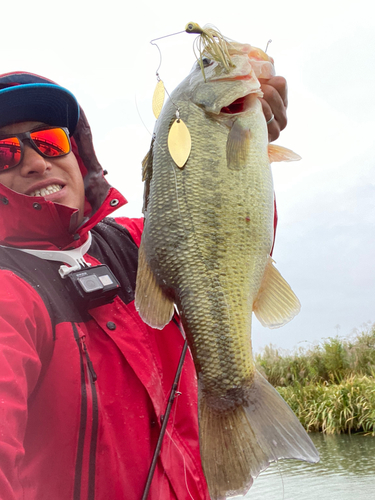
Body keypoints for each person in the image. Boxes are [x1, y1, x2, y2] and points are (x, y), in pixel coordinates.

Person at [0, 71, 288, 500]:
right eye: (4, 153)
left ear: (78, 155)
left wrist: (244, 147)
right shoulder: (10, 295)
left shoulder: (139, 242)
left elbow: (230, 238)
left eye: (50, 142)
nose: (37, 161)